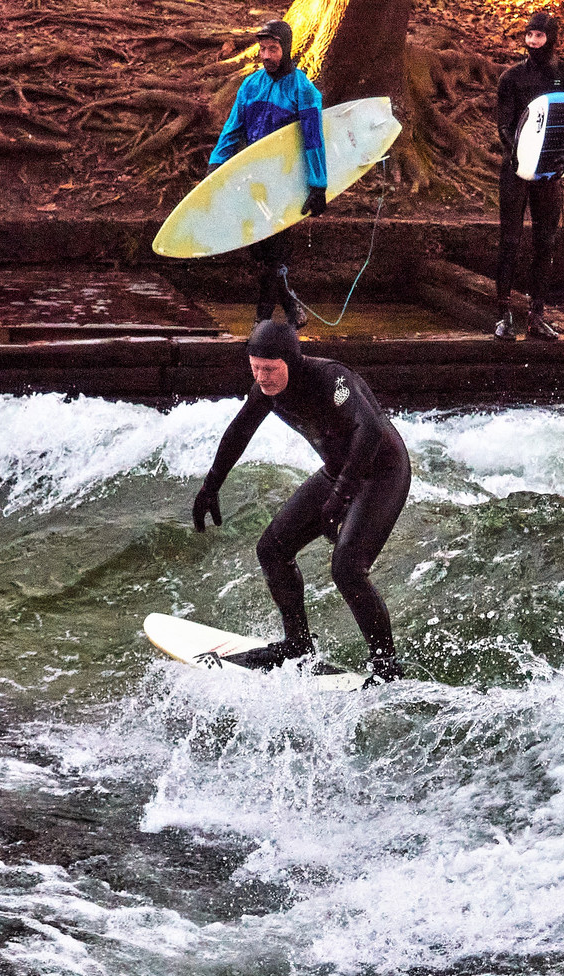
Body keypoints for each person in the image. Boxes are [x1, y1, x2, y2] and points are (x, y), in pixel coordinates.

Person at [192, 320, 410, 684]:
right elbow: (240, 428)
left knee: (347, 568)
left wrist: (340, 497)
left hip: (382, 473)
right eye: (255, 367)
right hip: (338, 471)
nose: (262, 377)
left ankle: (387, 668)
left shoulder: (332, 379)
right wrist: (211, 485)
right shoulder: (266, 388)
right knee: (272, 550)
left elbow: (370, 429)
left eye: (270, 369)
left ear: (291, 362)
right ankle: (297, 644)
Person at [208, 20, 327, 330]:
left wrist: (318, 185)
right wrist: (215, 164)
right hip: (254, 180)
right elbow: (233, 129)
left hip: (287, 182)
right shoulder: (251, 86)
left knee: (274, 251)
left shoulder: (304, 91)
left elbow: (313, 140)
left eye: (272, 49)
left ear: (286, 49)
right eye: (262, 49)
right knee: (258, 249)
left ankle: (261, 320)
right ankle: (292, 308)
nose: (265, 55)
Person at [491, 12, 564, 342]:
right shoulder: (511, 78)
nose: (532, 42)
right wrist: (518, 154)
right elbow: (504, 125)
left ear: (552, 38)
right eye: (529, 35)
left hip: (551, 171)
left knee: (544, 242)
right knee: (509, 240)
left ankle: (537, 314)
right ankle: (504, 313)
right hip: (517, 169)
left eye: (539, 36)